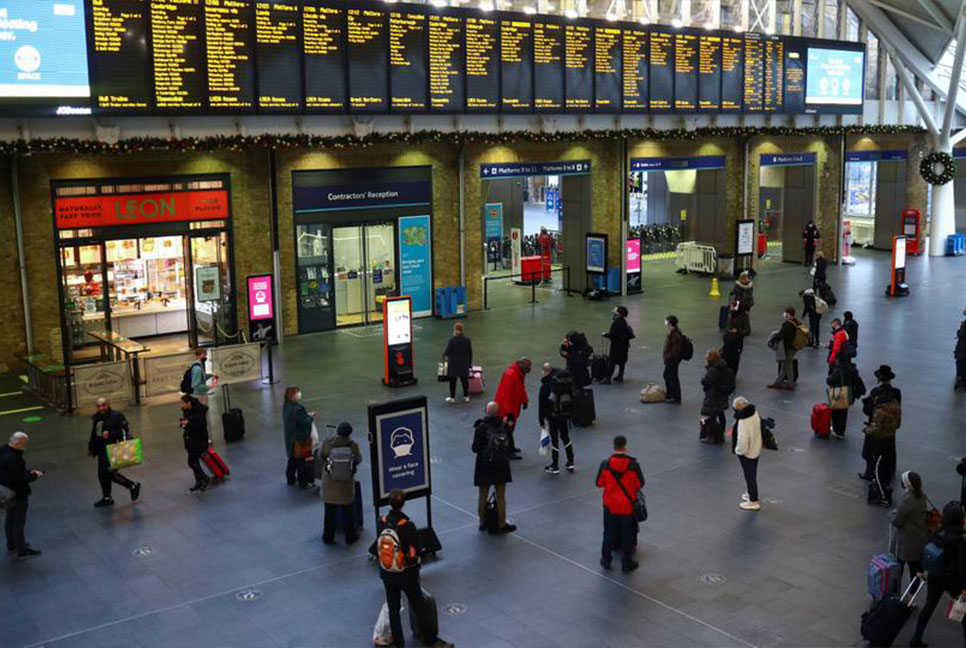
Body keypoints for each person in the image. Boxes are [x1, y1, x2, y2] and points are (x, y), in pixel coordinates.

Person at [377, 489, 448, 648]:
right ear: (403, 504)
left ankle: (398, 642)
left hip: (387, 572)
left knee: (393, 607)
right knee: (418, 605)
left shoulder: (381, 521)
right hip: (405, 573)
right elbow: (417, 547)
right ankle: (431, 639)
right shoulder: (407, 525)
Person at [908, 502, 966, 648]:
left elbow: (926, 550)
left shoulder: (937, 533)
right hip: (953, 581)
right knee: (963, 611)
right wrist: (964, 588)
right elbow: (962, 567)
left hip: (935, 575)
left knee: (929, 607)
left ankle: (916, 638)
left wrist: (920, 569)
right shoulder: (960, 541)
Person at [595, 435, 644, 573]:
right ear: (625, 446)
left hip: (610, 505)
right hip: (627, 506)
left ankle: (606, 559)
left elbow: (599, 483)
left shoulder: (605, 464)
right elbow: (640, 484)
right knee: (627, 534)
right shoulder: (633, 465)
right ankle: (626, 562)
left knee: (608, 532)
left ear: (613, 446)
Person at [88, 398, 141, 507]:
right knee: (103, 474)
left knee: (109, 474)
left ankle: (131, 486)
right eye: (99, 406)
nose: (101, 408)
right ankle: (108, 497)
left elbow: (124, 431)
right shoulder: (97, 418)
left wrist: (111, 434)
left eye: (103, 405)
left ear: (108, 404)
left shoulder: (116, 416)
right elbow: (94, 434)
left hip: (113, 450)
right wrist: (91, 448)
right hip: (102, 450)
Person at [472, 402, 516, 534]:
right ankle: (502, 523)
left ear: (486, 411)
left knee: (482, 495)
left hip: (484, 466)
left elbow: (475, 448)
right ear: (499, 412)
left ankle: (482, 522)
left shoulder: (481, 427)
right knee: (501, 496)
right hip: (501, 465)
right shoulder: (505, 427)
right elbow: (511, 448)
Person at [0, 432, 44, 560]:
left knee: (9, 519)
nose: (24, 446)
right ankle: (22, 551)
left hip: (5, 493)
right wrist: (34, 475)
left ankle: (12, 545)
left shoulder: (3, 450)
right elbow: (19, 478)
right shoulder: (14, 458)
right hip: (17, 494)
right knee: (18, 522)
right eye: (24, 443)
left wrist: (27, 471)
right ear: (17, 442)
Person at [860, 365, 902, 492]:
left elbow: (868, 410)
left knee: (871, 450)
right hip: (890, 428)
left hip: (876, 426)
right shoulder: (897, 392)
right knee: (889, 450)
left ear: (879, 379)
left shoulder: (875, 392)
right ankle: (890, 469)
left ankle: (870, 473)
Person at [320, 422, 362, 545]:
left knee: (329, 512)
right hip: (346, 484)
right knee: (348, 511)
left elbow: (320, 455)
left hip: (329, 481)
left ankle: (328, 537)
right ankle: (350, 537)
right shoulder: (353, 445)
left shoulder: (328, 442)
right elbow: (358, 460)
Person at [890, 471, 929, 585]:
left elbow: (897, 521)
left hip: (906, 540)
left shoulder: (907, 500)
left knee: (899, 566)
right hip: (919, 538)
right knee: (915, 568)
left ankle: (895, 590)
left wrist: (892, 516)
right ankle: (912, 592)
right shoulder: (921, 495)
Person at [537, 364, 575, 474]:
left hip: (552, 416)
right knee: (565, 437)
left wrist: (541, 420)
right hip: (564, 415)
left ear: (545, 372)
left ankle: (555, 464)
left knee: (555, 439)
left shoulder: (545, 386)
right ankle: (570, 461)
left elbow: (541, 405)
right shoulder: (564, 384)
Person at [493, 358, 532, 460]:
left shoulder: (518, 373)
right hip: (506, 409)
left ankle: (510, 448)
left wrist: (525, 400)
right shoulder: (511, 375)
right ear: (521, 364)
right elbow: (506, 395)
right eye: (528, 366)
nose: (529, 369)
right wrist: (509, 413)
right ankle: (508, 451)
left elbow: (520, 387)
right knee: (507, 430)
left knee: (509, 429)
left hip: (512, 407)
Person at [732, 397, 763, 511]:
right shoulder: (754, 413)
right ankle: (751, 493)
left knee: (749, 476)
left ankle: (753, 501)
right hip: (756, 447)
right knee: (752, 473)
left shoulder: (743, 422)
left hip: (748, 453)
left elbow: (742, 441)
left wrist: (738, 451)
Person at [825, 357, 865, 440]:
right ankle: (841, 431)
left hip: (838, 394)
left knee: (836, 413)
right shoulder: (853, 370)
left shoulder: (838, 371)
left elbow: (829, 380)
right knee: (843, 413)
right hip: (849, 395)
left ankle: (837, 430)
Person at [700, 349, 734, 445]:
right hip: (722, 396)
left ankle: (713, 436)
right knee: (720, 414)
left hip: (713, 396)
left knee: (712, 416)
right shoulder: (723, 367)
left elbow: (705, 381)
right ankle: (720, 435)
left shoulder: (713, 370)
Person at [282, 386, 314, 488]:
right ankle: (303, 482)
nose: (299, 394)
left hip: (290, 436)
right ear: (292, 395)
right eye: (297, 392)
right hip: (299, 439)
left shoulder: (286, 406)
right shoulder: (298, 409)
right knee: (301, 461)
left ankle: (290, 479)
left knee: (292, 458)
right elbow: (305, 422)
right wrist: (310, 417)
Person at [180, 395, 210, 492]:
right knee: (194, 461)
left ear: (189, 403)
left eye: (183, 403)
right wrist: (184, 423)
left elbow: (199, 427)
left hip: (198, 440)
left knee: (191, 461)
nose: (181, 405)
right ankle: (199, 481)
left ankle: (204, 478)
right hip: (190, 440)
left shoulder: (199, 412)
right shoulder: (187, 410)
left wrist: (188, 424)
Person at [767, 307, 801, 390]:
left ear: (788, 314)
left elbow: (781, 335)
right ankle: (779, 382)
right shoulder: (796, 322)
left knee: (787, 365)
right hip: (794, 347)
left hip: (788, 347)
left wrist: (772, 340)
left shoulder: (788, 324)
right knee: (785, 365)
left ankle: (789, 384)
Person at [442, 322, 473, 403]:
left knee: (453, 381)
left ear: (455, 330)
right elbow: (470, 353)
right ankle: (466, 396)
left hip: (453, 364)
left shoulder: (452, 340)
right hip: (464, 364)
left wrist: (444, 358)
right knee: (464, 381)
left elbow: (447, 352)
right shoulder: (467, 340)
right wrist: (469, 364)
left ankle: (452, 398)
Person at [603, 306, 635, 383]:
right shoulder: (623, 321)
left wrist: (605, 334)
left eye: (615, 309)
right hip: (624, 344)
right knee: (622, 361)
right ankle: (620, 376)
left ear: (618, 313)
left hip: (616, 345)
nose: (613, 310)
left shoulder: (616, 322)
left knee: (612, 361)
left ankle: (608, 378)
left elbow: (613, 335)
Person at [721, 296, 751, 377]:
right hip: (727, 341)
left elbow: (747, 331)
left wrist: (737, 331)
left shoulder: (744, 316)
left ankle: (732, 376)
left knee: (734, 360)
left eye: (732, 306)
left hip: (737, 343)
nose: (730, 308)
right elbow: (726, 326)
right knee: (725, 358)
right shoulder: (730, 315)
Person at [662, 315, 685, 404]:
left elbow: (676, 350)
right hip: (671, 360)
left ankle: (675, 396)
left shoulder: (675, 335)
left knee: (672, 377)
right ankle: (670, 394)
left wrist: (667, 356)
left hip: (672, 360)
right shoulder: (674, 332)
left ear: (670, 323)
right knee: (667, 375)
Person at [955, 306, 966, 390]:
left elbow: (961, 334)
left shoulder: (965, 324)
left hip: (962, 347)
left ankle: (960, 377)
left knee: (960, 361)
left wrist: (958, 333)